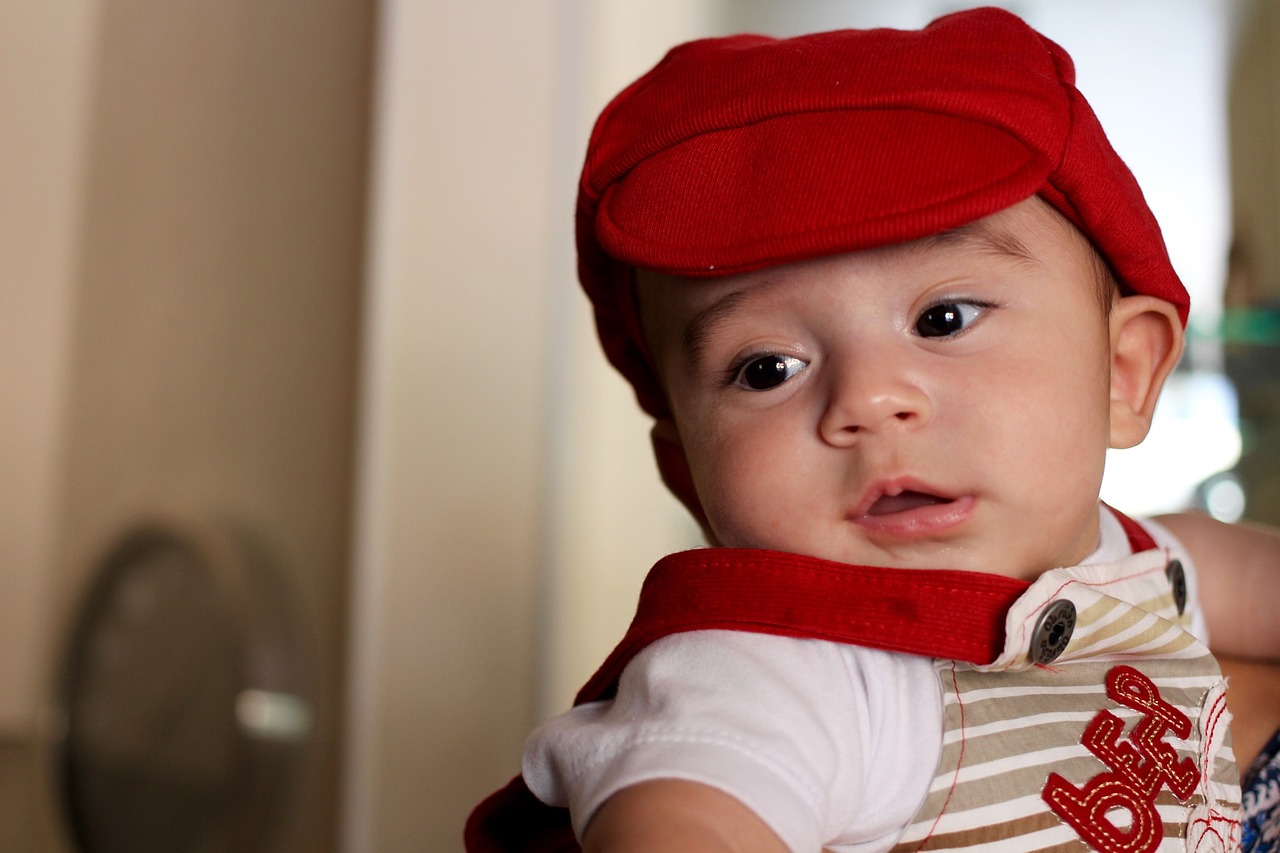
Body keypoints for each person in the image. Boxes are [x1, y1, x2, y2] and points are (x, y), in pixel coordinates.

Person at [466, 7, 1280, 852]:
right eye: (766, 368)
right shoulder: (782, 669)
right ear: (687, 467)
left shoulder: (1149, 559)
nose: (868, 398)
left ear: (1123, 372)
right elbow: (690, 807)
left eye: (944, 316)